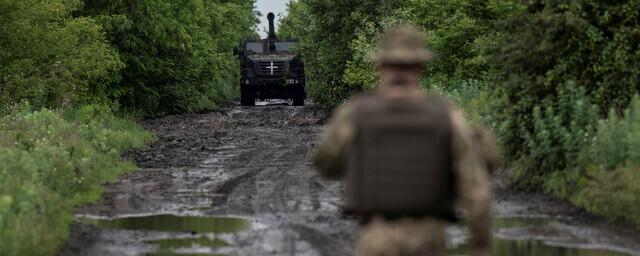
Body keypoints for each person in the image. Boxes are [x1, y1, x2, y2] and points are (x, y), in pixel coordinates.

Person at [312, 24, 492, 256]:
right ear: (421, 67)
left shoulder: (357, 113)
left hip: (378, 238)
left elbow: (328, 166)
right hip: (430, 238)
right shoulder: (445, 115)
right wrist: (481, 245)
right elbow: (476, 190)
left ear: (379, 66)